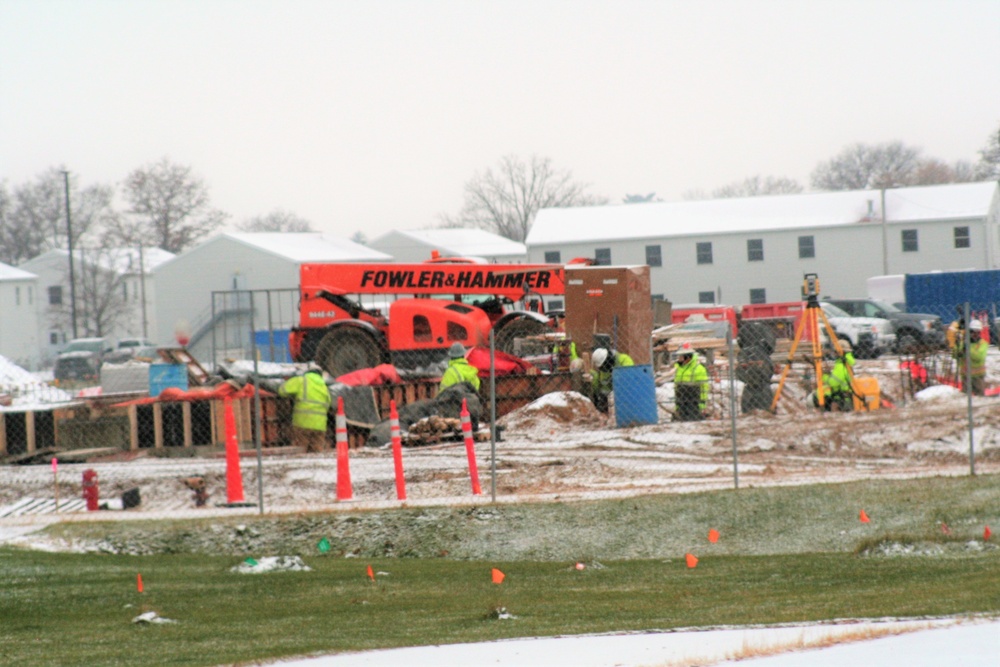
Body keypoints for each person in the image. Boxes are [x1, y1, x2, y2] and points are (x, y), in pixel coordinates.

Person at [278, 364, 332, 453]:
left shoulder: (301, 380)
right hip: (320, 425)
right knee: (316, 450)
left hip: (302, 422)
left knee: (300, 449)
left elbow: (282, 391)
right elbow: (328, 403)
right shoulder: (324, 386)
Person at [590, 347, 634, 413]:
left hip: (627, 395)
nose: (604, 368)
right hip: (611, 401)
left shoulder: (624, 359)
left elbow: (629, 378)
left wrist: (615, 376)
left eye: (605, 365)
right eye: (602, 367)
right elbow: (604, 387)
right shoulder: (603, 371)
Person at [815, 340, 856, 411]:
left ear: (840, 352)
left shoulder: (841, 365)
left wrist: (822, 376)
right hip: (843, 393)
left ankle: (823, 410)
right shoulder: (845, 362)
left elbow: (833, 382)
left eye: (835, 351)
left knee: (819, 392)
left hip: (842, 396)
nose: (834, 353)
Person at [673, 342, 708, 420]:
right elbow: (676, 386)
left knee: (693, 419)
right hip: (681, 397)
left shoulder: (699, 369)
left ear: (688, 357)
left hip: (693, 398)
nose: (679, 358)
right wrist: (677, 405)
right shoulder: (679, 368)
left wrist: (702, 404)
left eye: (681, 356)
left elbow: (704, 388)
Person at [953, 319, 988, 396]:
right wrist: (957, 346)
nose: (974, 334)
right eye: (972, 331)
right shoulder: (963, 343)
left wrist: (967, 348)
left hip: (978, 377)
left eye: (977, 332)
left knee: (979, 397)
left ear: (980, 332)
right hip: (966, 376)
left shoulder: (983, 344)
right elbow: (955, 356)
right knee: (965, 397)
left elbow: (979, 357)